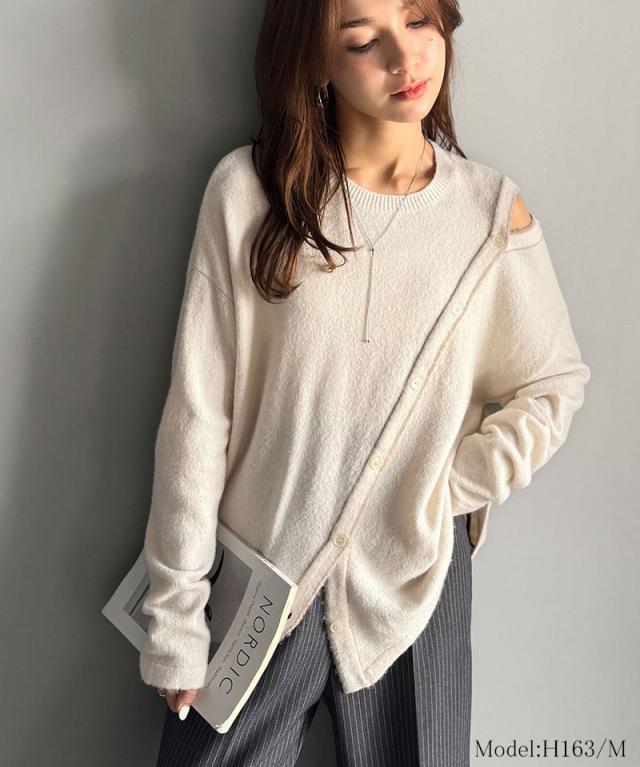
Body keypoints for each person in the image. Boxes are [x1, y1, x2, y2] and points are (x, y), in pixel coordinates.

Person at [137, 0, 591, 764]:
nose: (404, 59)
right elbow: (197, 416)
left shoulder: (487, 215)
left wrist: (447, 488)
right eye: (361, 40)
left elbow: (552, 382)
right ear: (317, 61)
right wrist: (176, 615)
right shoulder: (248, 193)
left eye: (417, 21)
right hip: (260, 583)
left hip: (416, 584)